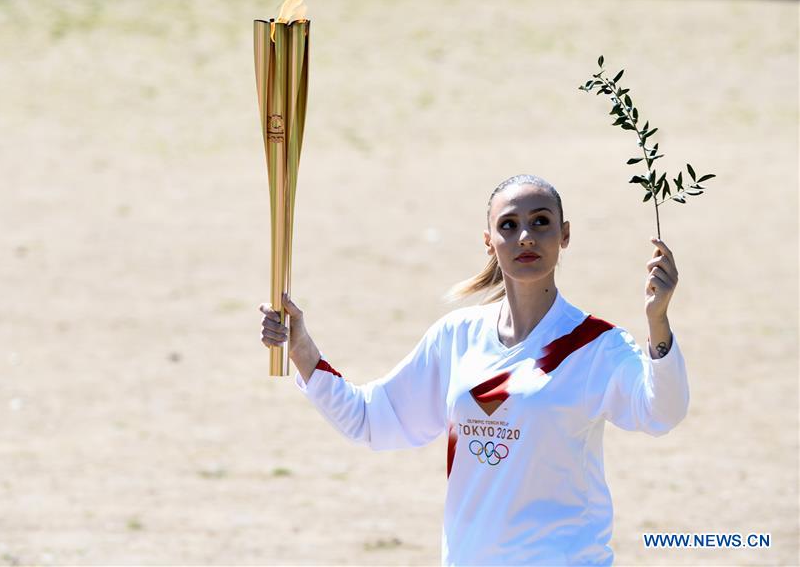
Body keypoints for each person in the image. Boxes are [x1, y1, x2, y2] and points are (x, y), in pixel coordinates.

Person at [258, 174, 689, 566]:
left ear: (565, 235)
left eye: (541, 222)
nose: (525, 237)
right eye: (509, 225)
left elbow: (660, 412)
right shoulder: (457, 336)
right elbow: (372, 420)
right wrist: (302, 350)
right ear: (489, 241)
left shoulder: (597, 345)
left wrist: (658, 321)